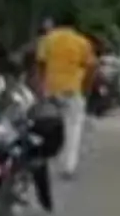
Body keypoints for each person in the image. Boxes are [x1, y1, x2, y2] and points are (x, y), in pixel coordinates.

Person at [34, 13, 96, 179]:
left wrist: (40, 87)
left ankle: (42, 160)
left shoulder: (47, 40)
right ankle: (68, 166)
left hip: (50, 90)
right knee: (73, 128)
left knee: (48, 127)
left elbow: (40, 64)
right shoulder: (82, 42)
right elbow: (90, 67)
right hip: (72, 89)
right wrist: (86, 89)